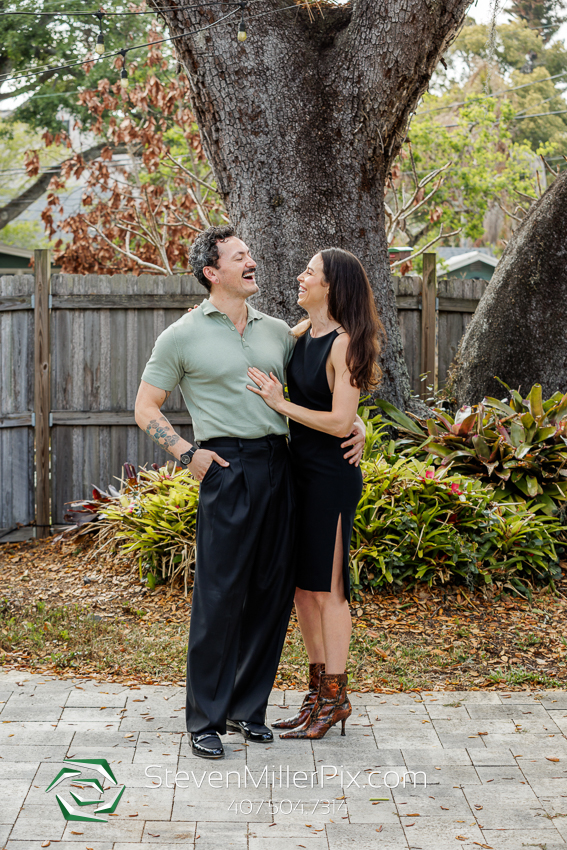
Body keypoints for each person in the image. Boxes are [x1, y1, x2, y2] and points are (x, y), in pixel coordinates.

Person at [134, 226, 366, 759]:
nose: (251, 261)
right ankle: (205, 720)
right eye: (240, 256)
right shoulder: (181, 335)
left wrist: (357, 426)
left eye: (250, 253)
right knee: (219, 596)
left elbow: (327, 382)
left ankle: (247, 710)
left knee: (271, 593)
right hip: (224, 466)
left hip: (282, 465)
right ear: (212, 272)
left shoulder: (281, 332)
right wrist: (186, 453)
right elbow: (145, 406)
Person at [246, 247, 384, 739]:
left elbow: (341, 421)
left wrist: (281, 404)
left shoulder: (346, 344)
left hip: (330, 478)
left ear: (332, 286)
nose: (301, 277)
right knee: (304, 590)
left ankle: (336, 697)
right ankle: (317, 693)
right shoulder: (302, 332)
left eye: (310, 272)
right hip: (298, 474)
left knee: (330, 590)